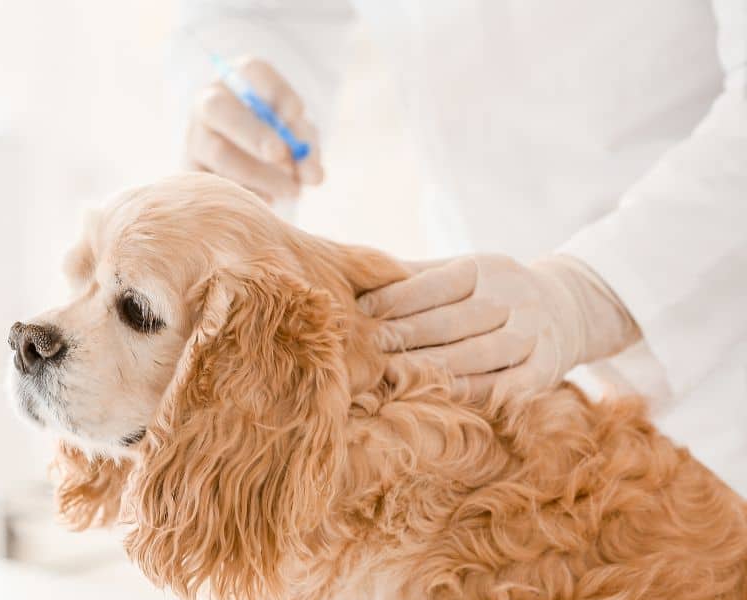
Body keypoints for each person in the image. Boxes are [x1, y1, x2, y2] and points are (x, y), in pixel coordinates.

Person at [173, 1, 747, 495]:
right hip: (492, 359)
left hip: (719, 335)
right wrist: (238, 93)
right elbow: (262, 12)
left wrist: (596, 293)